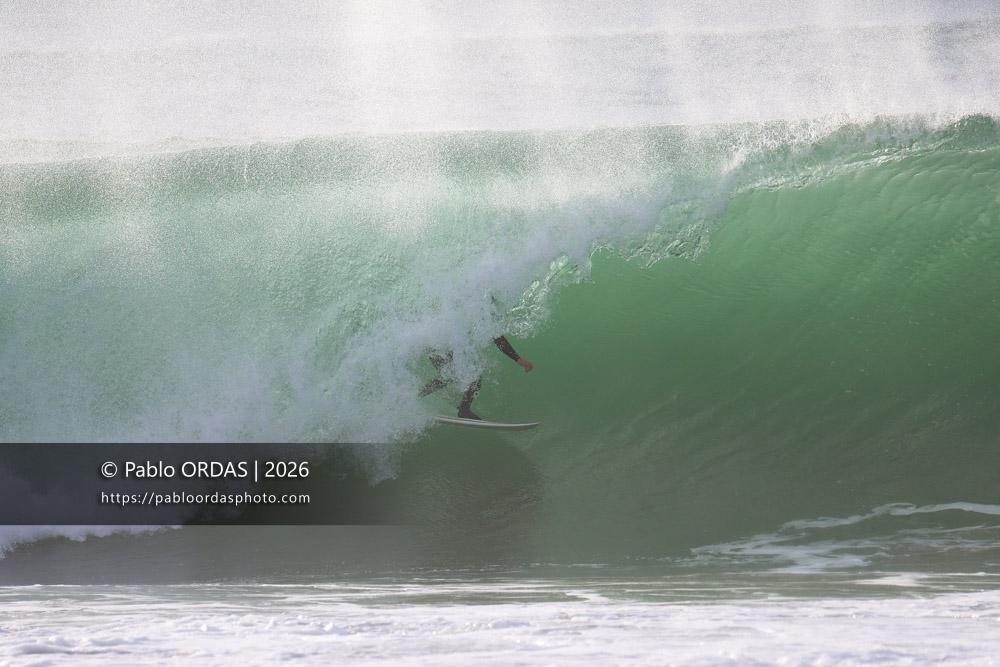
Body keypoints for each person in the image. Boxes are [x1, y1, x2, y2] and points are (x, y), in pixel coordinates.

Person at [419, 335, 533, 420]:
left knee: (449, 376)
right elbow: (498, 338)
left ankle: (416, 396)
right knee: (472, 375)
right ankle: (464, 410)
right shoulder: (483, 312)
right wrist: (518, 359)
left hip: (433, 341)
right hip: (440, 343)